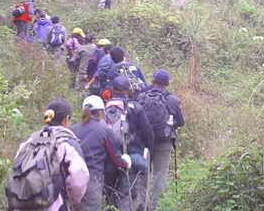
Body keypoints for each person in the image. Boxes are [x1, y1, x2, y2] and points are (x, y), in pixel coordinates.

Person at [6, 98, 89, 210]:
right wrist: (72, 201)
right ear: (66, 119)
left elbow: (16, 167)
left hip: (23, 205)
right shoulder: (67, 143)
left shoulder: (29, 141)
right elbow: (78, 179)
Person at [72, 95, 132, 211]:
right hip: (92, 181)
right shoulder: (105, 131)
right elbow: (116, 160)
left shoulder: (73, 129)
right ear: (101, 112)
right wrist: (126, 163)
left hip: (72, 180)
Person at [138, 69, 184, 210]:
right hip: (163, 142)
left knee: (143, 172)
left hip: (144, 141)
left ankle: (140, 204)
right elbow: (181, 122)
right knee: (160, 174)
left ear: (152, 81)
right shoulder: (172, 100)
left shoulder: (141, 97)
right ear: (167, 83)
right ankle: (156, 206)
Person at [106, 76, 154, 211]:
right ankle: (141, 206)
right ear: (128, 90)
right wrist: (149, 149)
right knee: (136, 184)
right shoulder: (135, 108)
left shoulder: (104, 107)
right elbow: (147, 132)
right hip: (133, 154)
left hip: (111, 157)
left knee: (111, 189)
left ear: (112, 90)